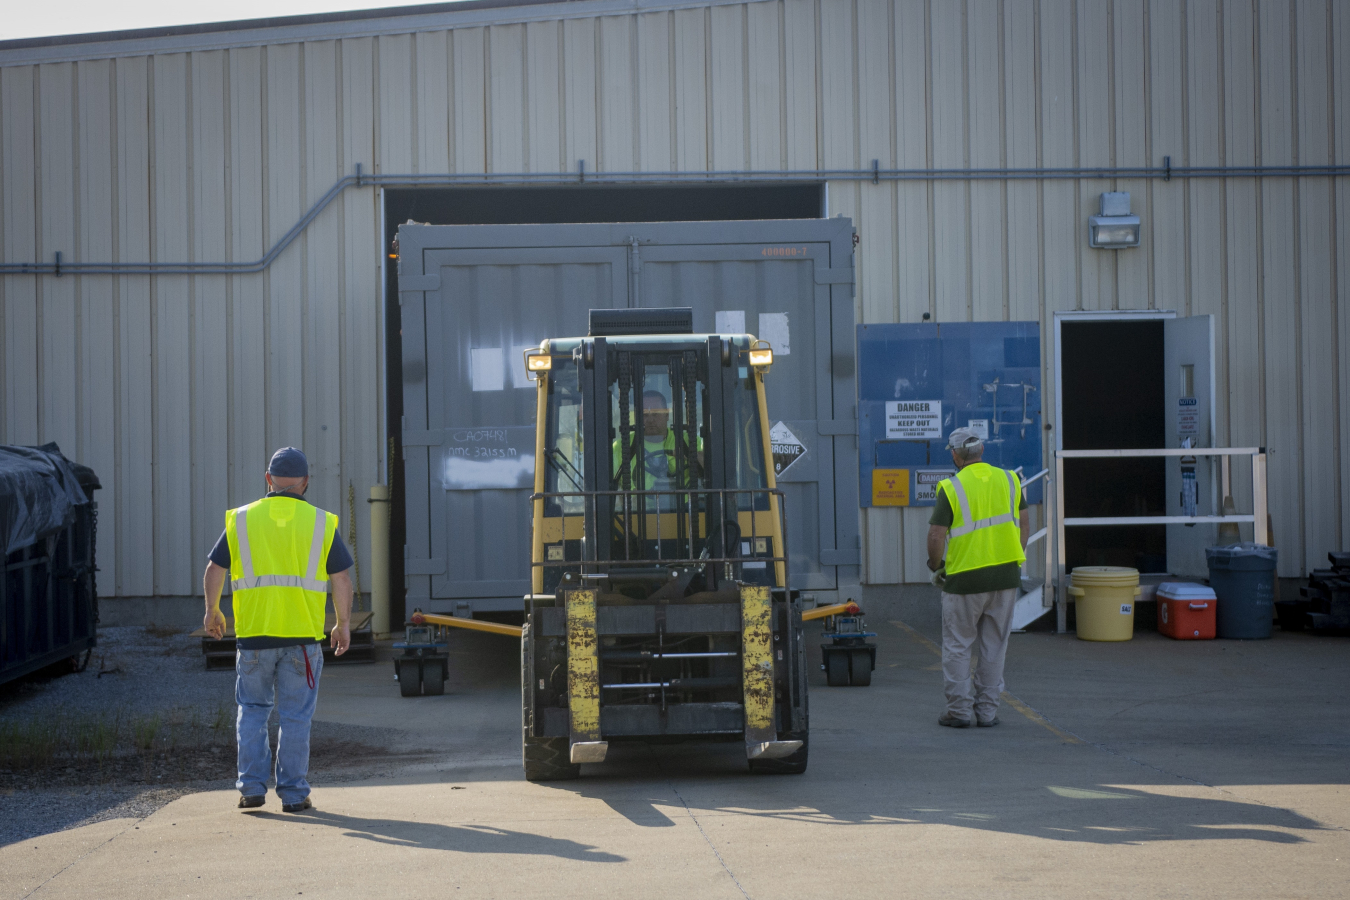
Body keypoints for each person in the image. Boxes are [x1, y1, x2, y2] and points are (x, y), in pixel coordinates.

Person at [202, 447, 355, 812]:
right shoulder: (320, 522)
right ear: (304, 482)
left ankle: (251, 790)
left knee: (252, 711)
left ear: (268, 479)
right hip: (301, 640)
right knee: (295, 717)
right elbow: (343, 578)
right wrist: (343, 624)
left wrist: (212, 611)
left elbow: (214, 569)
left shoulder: (241, 520)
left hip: (254, 637)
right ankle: (294, 795)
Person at [925, 427, 1030, 729]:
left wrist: (936, 565)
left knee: (958, 645)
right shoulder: (1010, 480)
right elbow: (1024, 523)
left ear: (956, 455)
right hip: (1005, 576)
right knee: (994, 645)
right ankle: (987, 713)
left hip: (964, 580)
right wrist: (1014, 558)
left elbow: (936, 533)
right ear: (981, 451)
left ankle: (959, 711)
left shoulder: (951, 487)